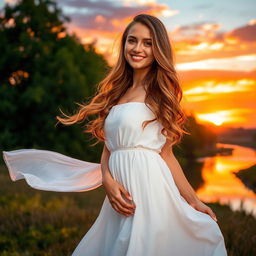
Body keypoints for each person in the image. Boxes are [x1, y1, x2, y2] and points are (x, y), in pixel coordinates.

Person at [2, 14, 227, 256]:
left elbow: (167, 155)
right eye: (132, 40)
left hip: (151, 190)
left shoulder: (160, 95)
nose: (138, 48)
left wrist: (193, 201)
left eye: (148, 43)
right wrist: (107, 179)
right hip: (120, 197)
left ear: (158, 49)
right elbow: (109, 148)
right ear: (124, 45)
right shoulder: (117, 92)